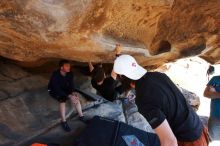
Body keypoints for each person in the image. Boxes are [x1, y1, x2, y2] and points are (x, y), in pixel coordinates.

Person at [113, 55, 209, 146]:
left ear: (123, 78)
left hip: (189, 140)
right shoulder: (159, 75)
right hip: (198, 126)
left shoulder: (143, 99)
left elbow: (170, 142)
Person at [48, 60, 85, 132]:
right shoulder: (55, 74)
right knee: (62, 100)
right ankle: (64, 122)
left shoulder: (70, 73)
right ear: (61, 67)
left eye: (69, 66)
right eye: (67, 66)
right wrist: (69, 96)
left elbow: (71, 84)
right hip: (53, 90)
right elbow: (56, 88)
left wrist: (73, 92)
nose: (69, 67)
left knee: (75, 98)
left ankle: (81, 117)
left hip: (65, 88)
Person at [203, 65, 220, 140]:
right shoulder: (215, 79)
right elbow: (206, 94)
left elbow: (210, 93)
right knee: (212, 138)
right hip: (214, 116)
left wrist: (214, 93)